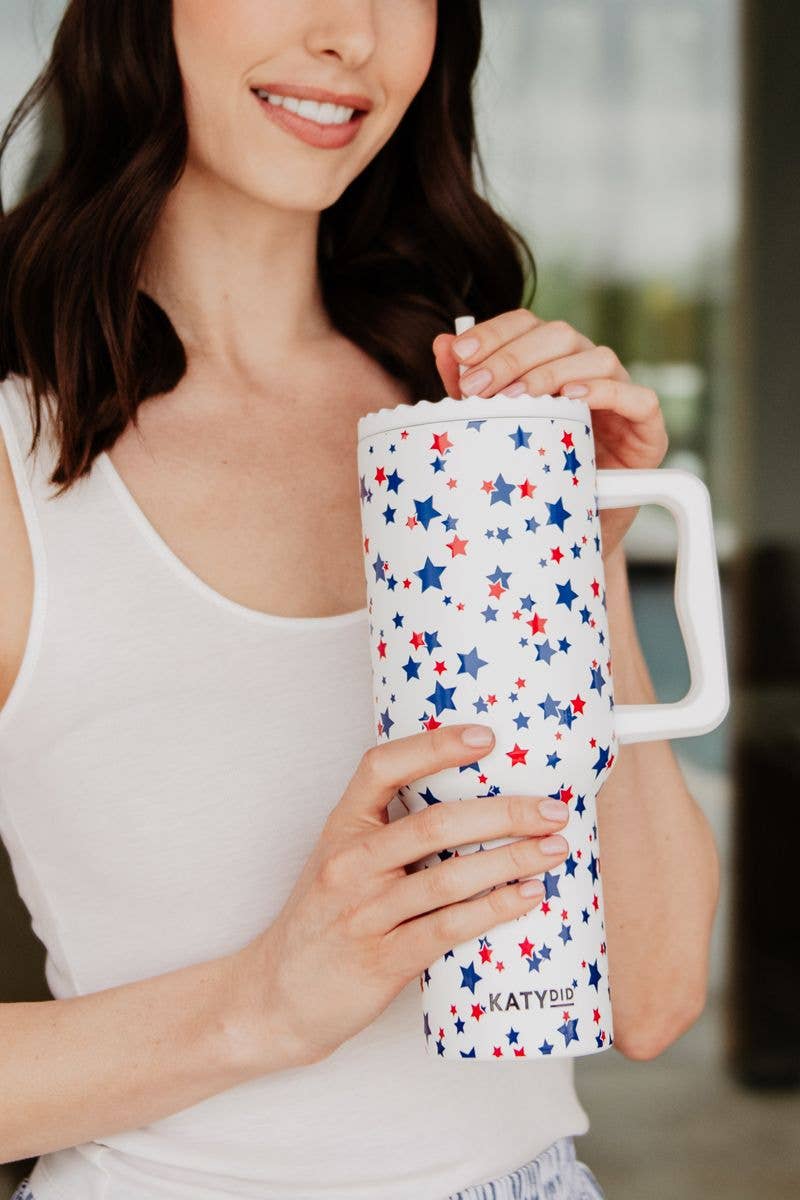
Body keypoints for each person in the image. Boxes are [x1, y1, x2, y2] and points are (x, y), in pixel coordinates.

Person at [0, 3, 721, 1199]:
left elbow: (651, 995)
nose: (352, 35)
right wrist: (264, 1004)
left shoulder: (467, 432)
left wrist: (577, 551)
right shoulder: (19, 461)